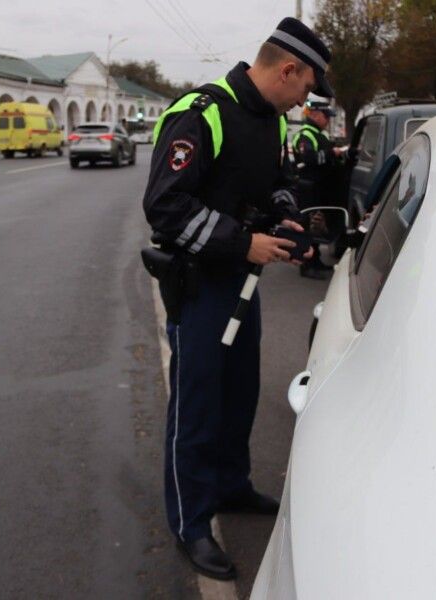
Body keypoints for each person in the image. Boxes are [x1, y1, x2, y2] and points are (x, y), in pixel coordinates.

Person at [142, 17, 334, 581]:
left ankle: (230, 485)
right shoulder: (200, 114)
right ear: (287, 68)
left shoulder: (271, 122)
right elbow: (166, 208)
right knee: (196, 407)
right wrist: (242, 241)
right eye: (306, 87)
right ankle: (192, 522)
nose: (306, 99)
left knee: (238, 393)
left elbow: (270, 186)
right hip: (200, 284)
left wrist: (289, 220)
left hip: (241, 284)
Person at [292, 101, 344, 279]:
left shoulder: (318, 134)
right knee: (307, 225)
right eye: (326, 115)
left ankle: (315, 260)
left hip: (317, 187)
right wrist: (333, 153)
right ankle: (308, 265)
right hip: (308, 187)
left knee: (313, 226)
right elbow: (309, 158)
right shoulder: (306, 135)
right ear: (314, 114)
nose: (328, 119)